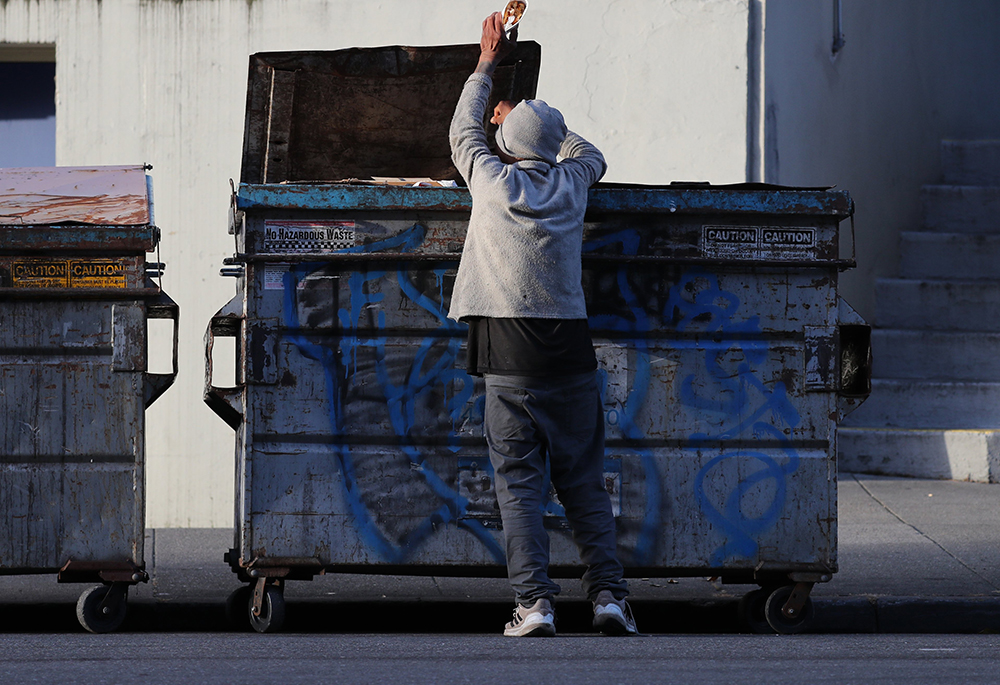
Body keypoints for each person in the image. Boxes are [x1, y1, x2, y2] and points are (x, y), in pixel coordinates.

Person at [447, 12, 637, 638]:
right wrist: (546, 132)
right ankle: (609, 599)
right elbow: (591, 153)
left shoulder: (491, 180)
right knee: (583, 483)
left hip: (509, 360)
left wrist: (486, 67)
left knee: (519, 487)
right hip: (571, 358)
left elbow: (459, 132)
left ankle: (535, 605)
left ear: (504, 141)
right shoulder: (572, 184)